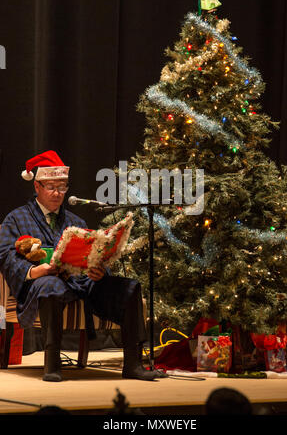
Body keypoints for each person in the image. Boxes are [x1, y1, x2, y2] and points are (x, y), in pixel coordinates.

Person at [0, 150, 167, 382]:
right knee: (50, 285)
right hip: (42, 284)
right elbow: (6, 256)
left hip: (81, 282)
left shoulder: (75, 222)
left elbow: (91, 254)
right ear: (37, 186)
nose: (58, 193)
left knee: (130, 288)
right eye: (51, 187)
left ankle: (133, 364)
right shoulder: (16, 218)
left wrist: (100, 271)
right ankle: (52, 364)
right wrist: (36, 270)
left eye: (62, 187)